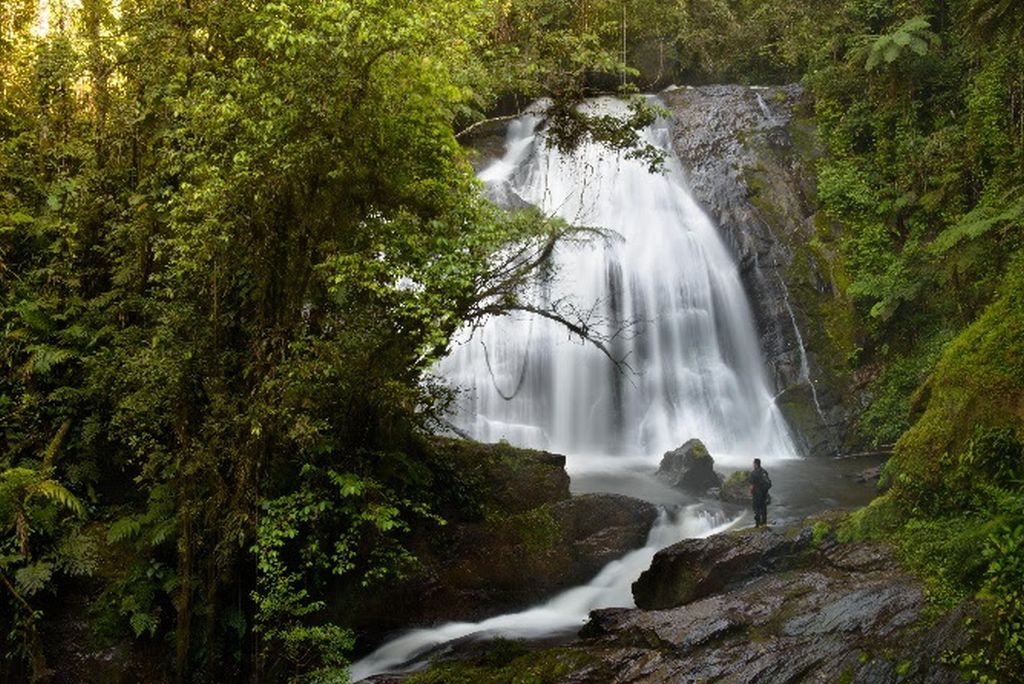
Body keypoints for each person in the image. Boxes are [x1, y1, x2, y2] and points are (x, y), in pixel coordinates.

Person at [749, 458, 772, 527]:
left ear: (756, 464)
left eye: (753, 463)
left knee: (756, 508)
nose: (753, 465)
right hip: (764, 493)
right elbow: (768, 483)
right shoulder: (764, 471)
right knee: (763, 507)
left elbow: (752, 484)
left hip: (757, 494)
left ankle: (757, 524)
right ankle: (764, 522)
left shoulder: (754, 473)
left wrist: (751, 492)